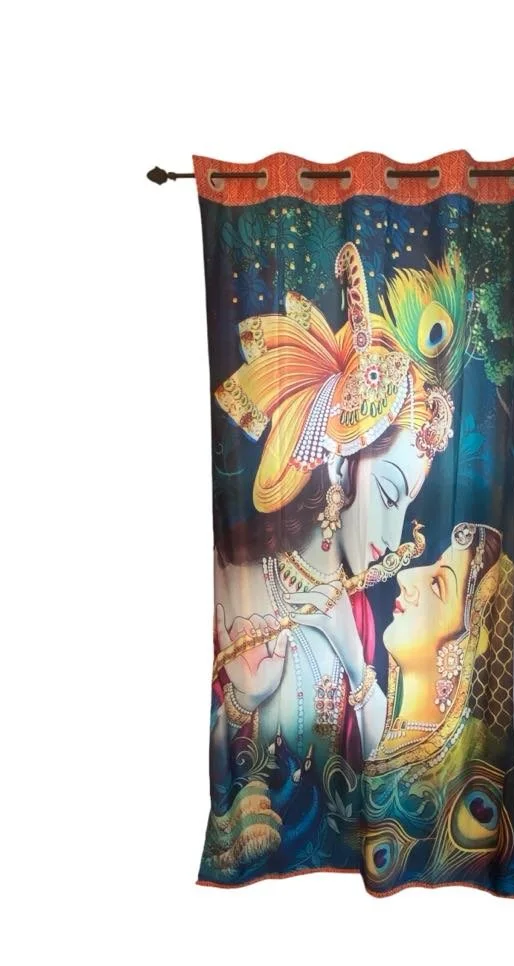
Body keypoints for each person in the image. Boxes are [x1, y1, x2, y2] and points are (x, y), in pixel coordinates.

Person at [205, 241, 470, 825]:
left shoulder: (366, 623)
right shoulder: (232, 573)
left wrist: (355, 662)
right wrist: (243, 697)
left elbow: (390, 790)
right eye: (391, 494)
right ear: (340, 468)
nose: (394, 538)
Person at [360, 522, 514, 898]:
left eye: (439, 585)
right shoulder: (367, 723)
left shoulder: (477, 758)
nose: (405, 577)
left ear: (470, 639)